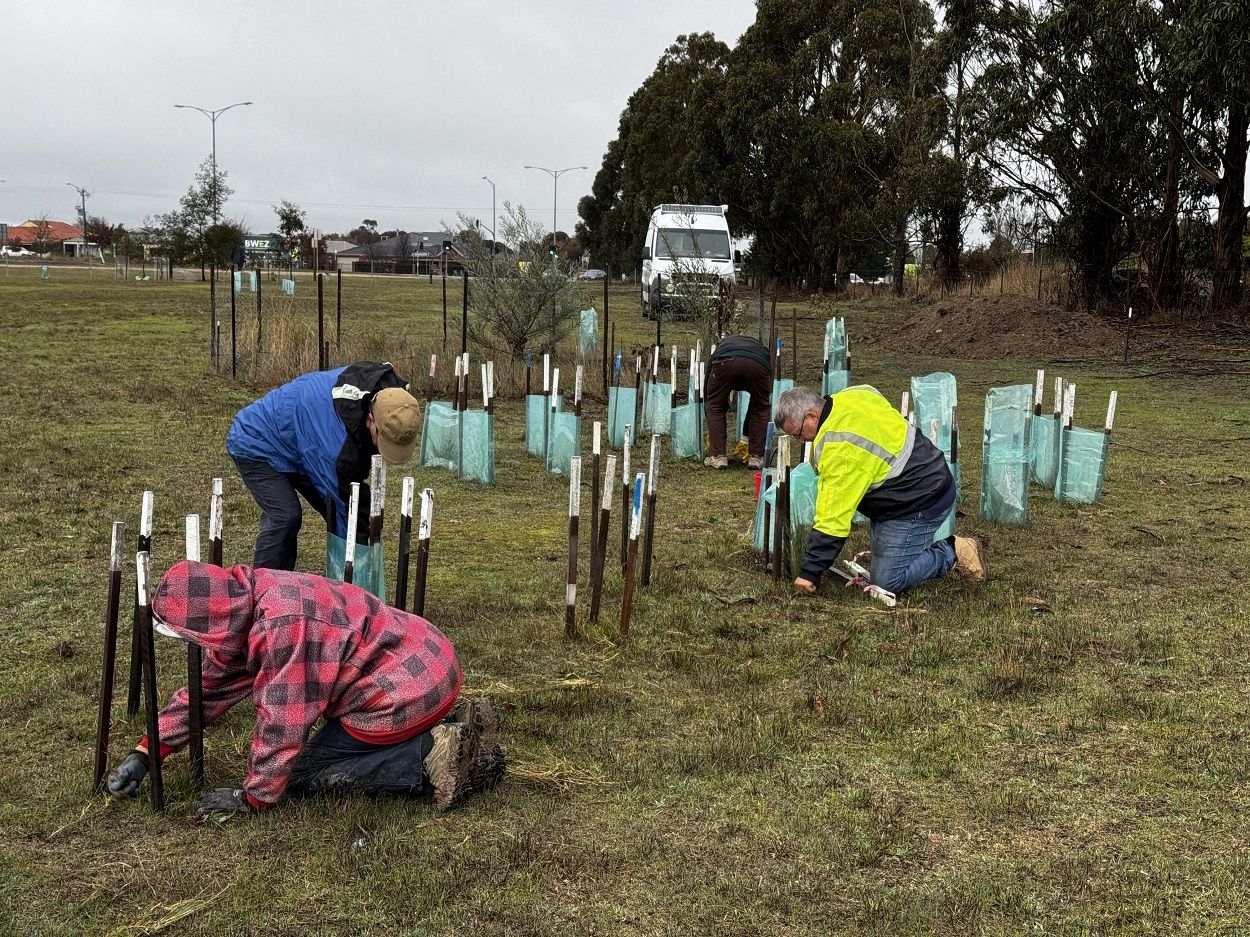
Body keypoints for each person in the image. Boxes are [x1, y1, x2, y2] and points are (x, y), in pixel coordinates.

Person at [106, 560, 504, 814]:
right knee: (308, 758)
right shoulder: (252, 595)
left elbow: (283, 722)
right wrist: (147, 751)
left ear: (207, 622)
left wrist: (254, 796)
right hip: (427, 657)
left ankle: (430, 754)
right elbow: (210, 689)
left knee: (304, 774)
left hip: (403, 691)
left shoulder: (280, 630)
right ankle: (444, 725)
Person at [773, 385, 985, 596]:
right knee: (886, 562)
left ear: (811, 416)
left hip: (921, 499)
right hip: (915, 481)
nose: (800, 441)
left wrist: (809, 573)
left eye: (798, 434)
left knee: (887, 582)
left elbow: (833, 520)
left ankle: (954, 550)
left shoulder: (840, 449)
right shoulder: (852, 395)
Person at [227, 361, 422, 571]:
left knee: (343, 508)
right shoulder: (335, 444)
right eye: (382, 439)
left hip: (300, 441)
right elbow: (344, 505)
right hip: (257, 441)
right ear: (370, 419)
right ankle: (265, 585)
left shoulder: (395, 402)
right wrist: (355, 562)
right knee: (285, 517)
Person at [703, 335, 772, 471]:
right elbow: (761, 401)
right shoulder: (761, 348)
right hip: (758, 364)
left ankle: (718, 456)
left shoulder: (720, 349)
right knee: (760, 407)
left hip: (726, 362)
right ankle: (756, 457)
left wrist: (711, 422)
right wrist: (746, 438)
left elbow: (709, 396)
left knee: (715, 406)